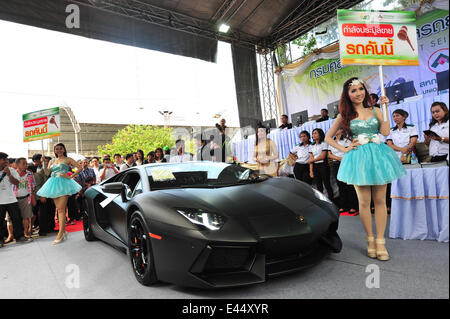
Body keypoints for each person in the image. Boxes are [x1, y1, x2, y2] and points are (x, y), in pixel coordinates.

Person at [325, 77, 406, 262]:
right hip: (358, 158)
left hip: (379, 157)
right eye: (353, 90)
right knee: (363, 202)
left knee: (380, 200)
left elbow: (385, 132)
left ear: (365, 91)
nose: (358, 93)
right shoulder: (344, 116)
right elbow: (328, 138)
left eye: (361, 89)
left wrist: (386, 109)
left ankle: (380, 241)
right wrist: (345, 149)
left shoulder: (376, 110)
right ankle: (370, 239)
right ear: (347, 94)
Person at [37, 143, 82, 245]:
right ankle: (64, 231)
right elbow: (47, 172)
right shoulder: (52, 161)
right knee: (59, 209)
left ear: (64, 149)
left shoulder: (68, 159)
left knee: (61, 209)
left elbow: (80, 167)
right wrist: (43, 163)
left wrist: (71, 176)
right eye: (57, 149)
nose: (59, 150)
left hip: (64, 183)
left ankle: (61, 233)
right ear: (55, 150)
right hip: (53, 184)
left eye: (61, 148)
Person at [0, 152, 29, 247]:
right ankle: (1, 240)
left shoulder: (11, 170)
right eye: (4, 159)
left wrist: (9, 175)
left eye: (6, 159)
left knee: (16, 219)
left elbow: (17, 183)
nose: (6, 161)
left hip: (12, 200)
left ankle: (19, 237)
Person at [328, 128, 358, 215]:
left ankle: (353, 206)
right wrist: (338, 158)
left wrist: (343, 159)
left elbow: (350, 151)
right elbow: (329, 154)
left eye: (339, 129)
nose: (335, 130)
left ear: (342, 131)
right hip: (336, 164)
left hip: (346, 163)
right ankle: (343, 205)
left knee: (349, 185)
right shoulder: (331, 141)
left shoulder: (346, 141)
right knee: (340, 185)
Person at [13, 158, 36, 240]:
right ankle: (11, 235)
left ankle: (25, 232)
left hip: (26, 198)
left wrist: (33, 198)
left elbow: (33, 186)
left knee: (26, 217)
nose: (26, 165)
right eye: (23, 164)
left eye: (26, 163)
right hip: (13, 199)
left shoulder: (29, 174)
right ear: (17, 165)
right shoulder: (12, 173)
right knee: (12, 218)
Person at [309, 128, 334, 202]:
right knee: (318, 185)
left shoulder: (324, 143)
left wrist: (312, 160)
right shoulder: (311, 145)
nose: (313, 135)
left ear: (320, 134)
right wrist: (311, 171)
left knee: (327, 184)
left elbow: (322, 156)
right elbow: (311, 158)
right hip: (315, 167)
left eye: (315, 133)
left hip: (323, 165)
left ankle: (331, 201)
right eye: (313, 133)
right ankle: (322, 202)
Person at [34, 156, 55, 236]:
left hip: (51, 196)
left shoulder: (52, 173)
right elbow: (38, 186)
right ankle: (42, 230)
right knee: (43, 213)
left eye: (48, 162)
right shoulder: (39, 173)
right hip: (43, 196)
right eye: (45, 162)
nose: (46, 164)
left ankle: (51, 228)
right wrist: (41, 196)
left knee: (52, 212)